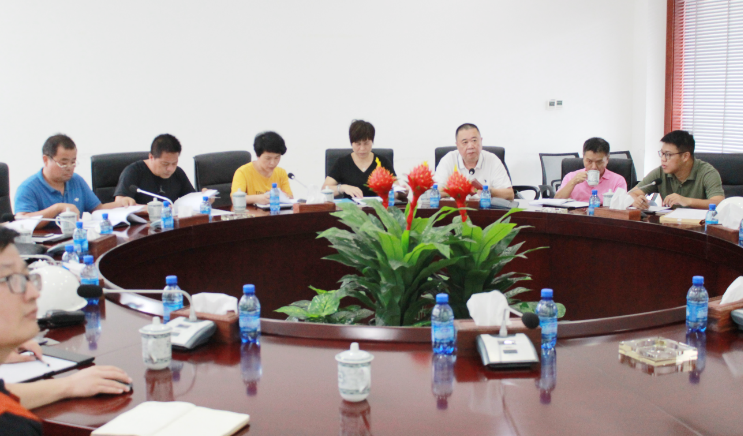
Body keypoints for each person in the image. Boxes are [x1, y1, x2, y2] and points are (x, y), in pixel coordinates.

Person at [0, 227, 131, 434]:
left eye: (28, 277)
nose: (34, 293)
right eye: (13, 280)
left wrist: (68, 386)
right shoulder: (11, 426)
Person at [14, 135, 133, 228]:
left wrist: (121, 203)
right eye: (63, 163)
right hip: (45, 247)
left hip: (75, 240)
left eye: (73, 162)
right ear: (46, 160)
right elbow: (22, 221)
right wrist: (56, 208)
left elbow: (97, 209)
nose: (70, 167)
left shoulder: (76, 180)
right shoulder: (28, 188)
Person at [630, 130, 724, 209]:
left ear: (685, 156)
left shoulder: (707, 173)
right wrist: (636, 201)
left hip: (699, 224)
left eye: (668, 154)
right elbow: (632, 193)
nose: (663, 159)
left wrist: (687, 201)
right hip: (670, 222)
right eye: (662, 154)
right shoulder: (660, 172)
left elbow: (719, 202)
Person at [434, 123, 514, 201]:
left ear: (481, 141)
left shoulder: (492, 160)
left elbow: (509, 194)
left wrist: (488, 191)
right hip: (455, 208)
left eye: (474, 140)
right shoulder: (448, 160)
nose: (470, 146)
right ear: (457, 145)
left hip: (486, 208)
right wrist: (461, 190)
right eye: (465, 142)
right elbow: (436, 191)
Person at [322, 120, 398, 199]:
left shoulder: (383, 162)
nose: (362, 148)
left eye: (366, 143)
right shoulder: (342, 163)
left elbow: (397, 190)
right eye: (358, 144)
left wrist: (398, 193)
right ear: (351, 143)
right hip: (351, 206)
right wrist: (343, 188)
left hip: (378, 206)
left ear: (372, 142)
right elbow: (325, 189)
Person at [114, 134, 196, 205]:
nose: (170, 169)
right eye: (165, 164)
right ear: (151, 157)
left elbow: (193, 199)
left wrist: (202, 196)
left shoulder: (178, 173)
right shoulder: (133, 172)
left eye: (174, 163)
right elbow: (120, 203)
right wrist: (153, 209)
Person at [555, 137, 627, 202]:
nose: (594, 167)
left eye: (599, 162)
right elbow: (556, 201)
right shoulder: (571, 177)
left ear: (607, 159)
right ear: (583, 158)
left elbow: (621, 207)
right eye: (589, 161)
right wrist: (573, 182)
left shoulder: (618, 181)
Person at [231, 131, 293, 205]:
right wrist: (257, 198)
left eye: (277, 158)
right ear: (257, 155)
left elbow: (290, 197)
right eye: (268, 158)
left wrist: (284, 196)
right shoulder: (243, 172)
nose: (273, 163)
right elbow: (235, 198)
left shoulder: (281, 173)